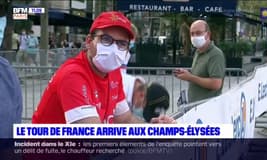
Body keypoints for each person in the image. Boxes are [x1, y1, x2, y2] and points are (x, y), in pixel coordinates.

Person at [32, 11, 175, 124]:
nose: (114, 48)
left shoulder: (114, 73)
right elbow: (94, 138)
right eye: (106, 39)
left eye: (121, 43)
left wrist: (152, 129)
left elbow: (125, 119)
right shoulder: (73, 75)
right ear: (89, 42)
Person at [174, 20, 225, 102]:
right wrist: (186, 73)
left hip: (207, 106)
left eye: (198, 33)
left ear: (208, 34)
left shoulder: (215, 54)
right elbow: (200, 74)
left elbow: (216, 83)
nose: (194, 37)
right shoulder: (198, 52)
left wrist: (190, 77)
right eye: (192, 34)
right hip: (195, 106)